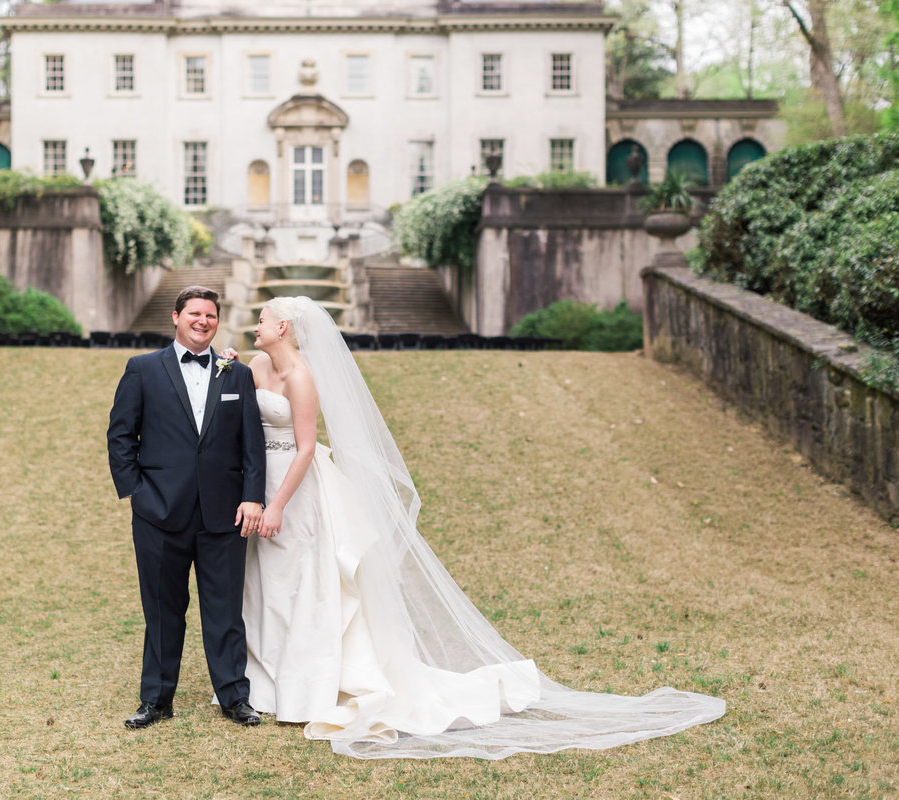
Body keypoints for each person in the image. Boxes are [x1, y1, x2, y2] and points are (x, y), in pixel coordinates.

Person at [235, 296, 726, 759]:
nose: (255, 326)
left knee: (308, 584)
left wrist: (276, 505)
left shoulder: (302, 376)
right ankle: (269, 684)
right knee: (267, 585)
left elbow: (303, 447)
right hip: (258, 483)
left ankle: (310, 688)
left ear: (284, 328)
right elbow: (237, 409)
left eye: (262, 319)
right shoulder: (255, 367)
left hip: (296, 490)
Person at [106, 286, 267, 730]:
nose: (203, 321)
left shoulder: (235, 373)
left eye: (211, 315)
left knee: (225, 609)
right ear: (175, 318)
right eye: (194, 313)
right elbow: (121, 436)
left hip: (225, 514)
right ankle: (156, 700)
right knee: (161, 609)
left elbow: (252, 443)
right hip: (159, 514)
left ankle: (234, 697)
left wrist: (253, 496)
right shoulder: (142, 370)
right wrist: (136, 492)